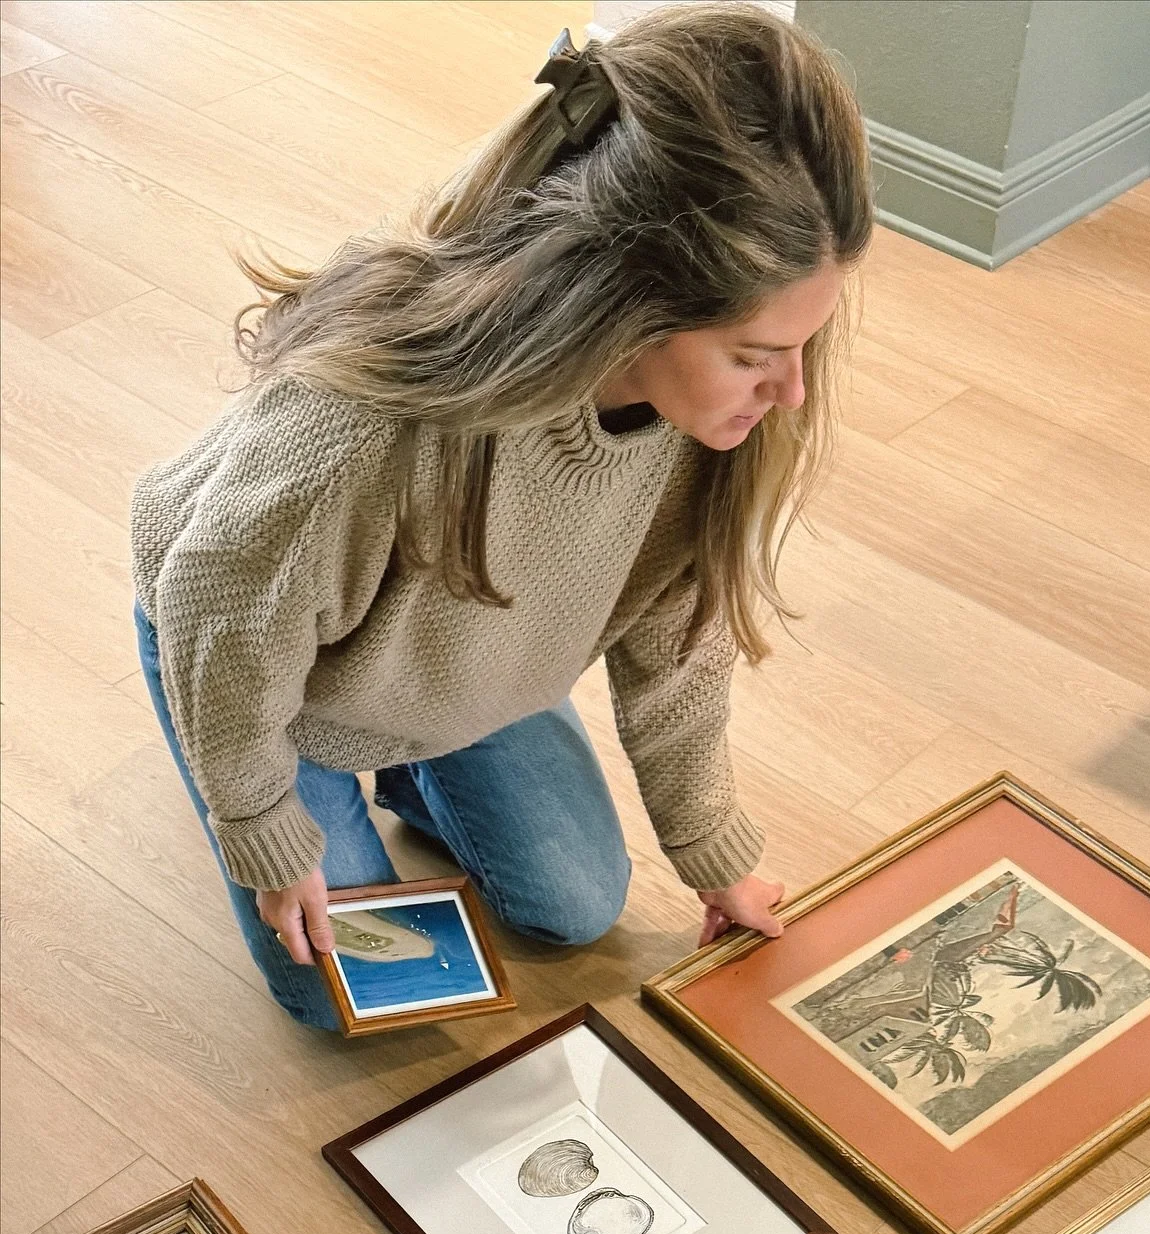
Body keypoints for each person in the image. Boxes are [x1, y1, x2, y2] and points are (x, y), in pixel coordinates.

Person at [129, 2, 873, 1030]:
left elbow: (679, 651)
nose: (789, 393)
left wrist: (714, 859)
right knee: (331, 993)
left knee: (573, 907)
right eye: (755, 356)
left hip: (460, 657)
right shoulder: (361, 426)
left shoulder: (712, 433)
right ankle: (243, 755)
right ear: (628, 305)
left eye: (802, 347)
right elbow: (219, 605)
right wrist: (258, 819)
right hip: (263, 659)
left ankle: (409, 750)